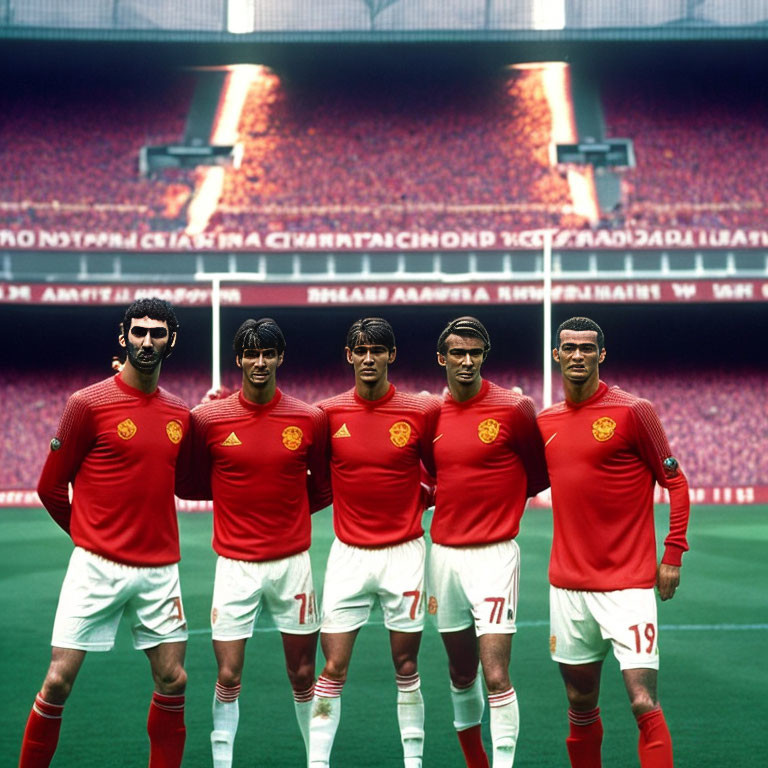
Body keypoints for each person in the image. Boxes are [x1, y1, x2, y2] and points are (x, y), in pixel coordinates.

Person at [20, 298, 190, 768]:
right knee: (57, 681)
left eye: (158, 333)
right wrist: (88, 536)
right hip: (95, 567)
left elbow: (195, 477)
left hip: (160, 571)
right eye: (139, 332)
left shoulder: (181, 414)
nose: (147, 341)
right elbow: (50, 486)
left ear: (170, 341)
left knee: (174, 680)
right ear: (123, 337)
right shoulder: (87, 403)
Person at [537, 316, 690, 768]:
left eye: (588, 347)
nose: (578, 354)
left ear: (601, 355)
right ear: (556, 355)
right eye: (570, 347)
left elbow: (676, 484)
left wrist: (672, 554)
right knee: (580, 702)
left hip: (628, 587)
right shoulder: (546, 421)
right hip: (567, 588)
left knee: (643, 701)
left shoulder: (633, 410)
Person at [180, 318, 331, 767]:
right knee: (227, 674)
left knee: (305, 674)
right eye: (251, 353)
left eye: (268, 353)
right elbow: (187, 483)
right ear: (239, 359)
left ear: (280, 357)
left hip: (293, 566)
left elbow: (322, 488)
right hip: (235, 567)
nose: (259, 362)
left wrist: (286, 513)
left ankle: (317, 760)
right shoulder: (208, 418)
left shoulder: (309, 417)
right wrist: (235, 497)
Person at [308, 317, 440, 768]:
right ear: (349, 355)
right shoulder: (326, 414)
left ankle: (413, 759)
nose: (369, 357)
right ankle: (318, 761)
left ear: (391, 355)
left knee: (406, 668)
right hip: (347, 557)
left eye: (377, 349)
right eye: (360, 350)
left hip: (404, 556)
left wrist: (423, 497)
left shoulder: (419, 412)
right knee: (332, 669)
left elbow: (445, 471)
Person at [428, 317, 549, 768]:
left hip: (495, 556)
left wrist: (499, 506)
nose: (466, 361)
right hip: (443, 558)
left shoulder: (513, 408)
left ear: (484, 356)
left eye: (475, 353)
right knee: (461, 673)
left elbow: (537, 474)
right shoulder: (431, 414)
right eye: (458, 353)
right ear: (442, 358)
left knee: (496, 674)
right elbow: (430, 474)